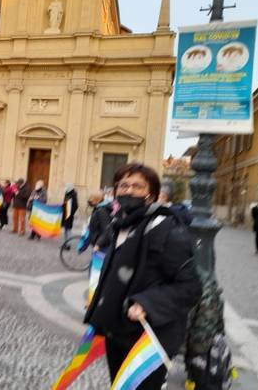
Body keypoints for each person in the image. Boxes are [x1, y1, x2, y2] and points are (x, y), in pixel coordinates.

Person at [84, 163, 202, 389]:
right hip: (117, 331)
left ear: (151, 195)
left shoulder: (168, 230)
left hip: (148, 337)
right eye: (123, 185)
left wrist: (146, 303)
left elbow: (191, 287)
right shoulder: (120, 224)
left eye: (137, 186)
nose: (128, 191)